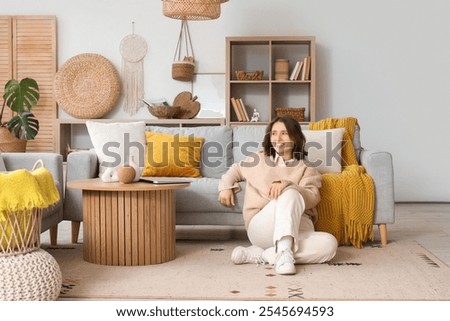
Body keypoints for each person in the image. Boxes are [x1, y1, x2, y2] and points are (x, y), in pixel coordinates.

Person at [218, 115, 338, 275]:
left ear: (295, 138)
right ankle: (282, 254)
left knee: (330, 244)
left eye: (284, 133)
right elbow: (236, 169)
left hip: (298, 228)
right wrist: (225, 186)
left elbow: (312, 197)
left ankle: (265, 254)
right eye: (274, 133)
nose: (277, 138)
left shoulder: (307, 168)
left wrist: (287, 184)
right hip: (263, 226)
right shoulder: (258, 158)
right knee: (289, 193)